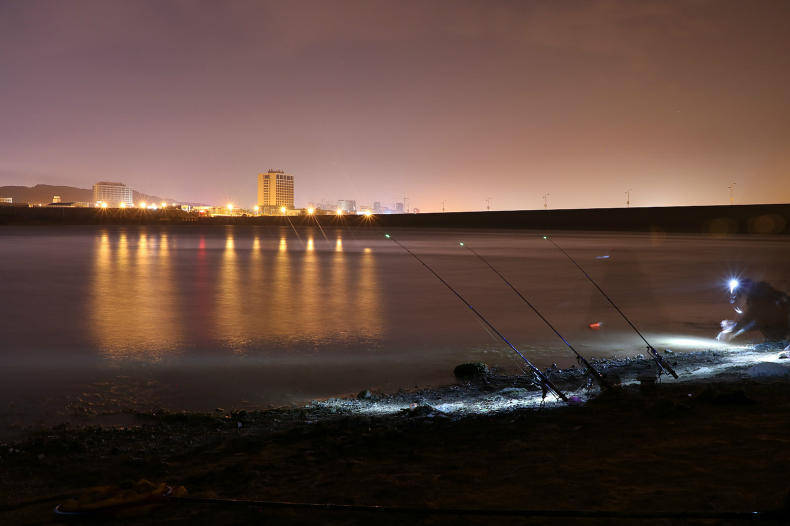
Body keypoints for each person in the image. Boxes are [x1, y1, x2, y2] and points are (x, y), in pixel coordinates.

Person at [716, 278, 790, 351]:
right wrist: (734, 327)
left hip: (784, 341)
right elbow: (756, 320)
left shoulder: (763, 301)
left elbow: (753, 318)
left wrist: (732, 330)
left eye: (737, 297)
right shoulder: (769, 297)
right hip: (780, 339)